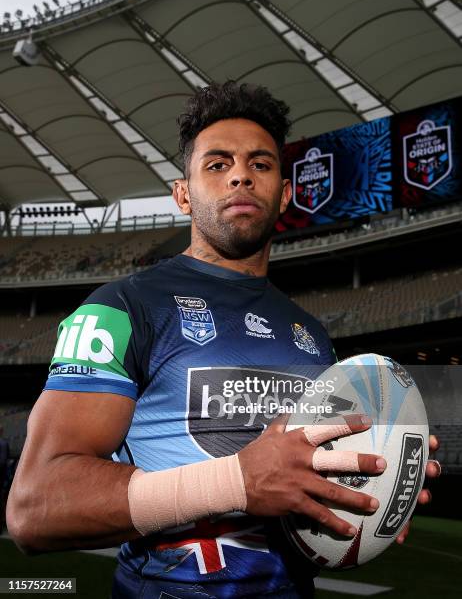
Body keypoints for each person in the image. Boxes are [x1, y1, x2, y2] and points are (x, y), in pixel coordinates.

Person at [6, 82, 440, 598]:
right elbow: (34, 509)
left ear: (284, 192)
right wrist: (235, 482)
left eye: (260, 164)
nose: (240, 174)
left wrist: (370, 494)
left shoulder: (315, 338)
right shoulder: (121, 309)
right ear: (183, 194)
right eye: (217, 164)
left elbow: (307, 489)